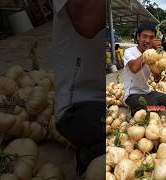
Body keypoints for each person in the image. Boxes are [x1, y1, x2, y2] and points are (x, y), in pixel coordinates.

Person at [52, 0, 105, 176]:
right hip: (78, 105)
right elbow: (87, 22)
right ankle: (86, 157)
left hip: (108, 99)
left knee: (156, 109)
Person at [123, 23, 166, 116]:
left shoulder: (154, 54)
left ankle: (149, 105)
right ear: (138, 37)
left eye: (151, 37)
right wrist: (149, 49)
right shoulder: (129, 52)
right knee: (155, 107)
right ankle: (136, 110)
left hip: (147, 92)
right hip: (132, 94)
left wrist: (161, 67)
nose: (147, 40)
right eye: (144, 37)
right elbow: (134, 68)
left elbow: (156, 80)